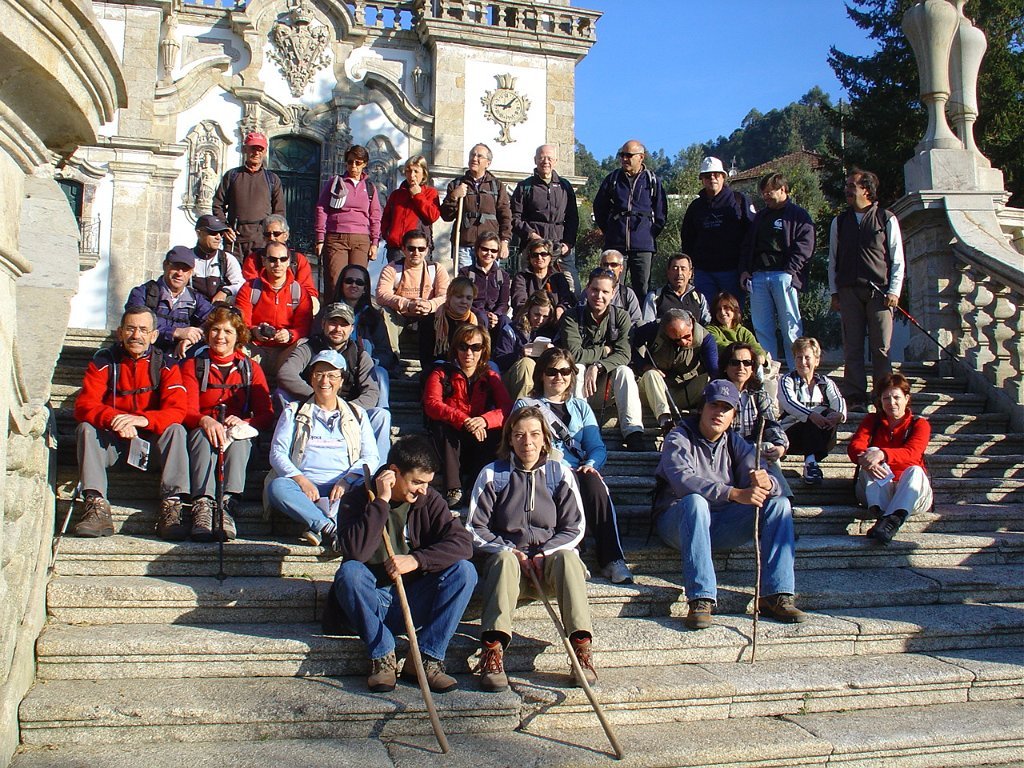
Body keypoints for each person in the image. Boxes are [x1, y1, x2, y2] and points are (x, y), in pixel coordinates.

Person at [653, 379, 806, 630]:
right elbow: (683, 481)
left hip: (721, 523)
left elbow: (766, 481)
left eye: (727, 408)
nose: (719, 412)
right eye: (714, 405)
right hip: (677, 521)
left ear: (734, 414)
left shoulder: (735, 442)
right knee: (695, 502)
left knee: (778, 505)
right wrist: (733, 493)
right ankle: (701, 598)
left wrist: (767, 483)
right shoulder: (678, 436)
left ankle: (775, 594)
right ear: (703, 407)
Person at [331, 435, 477, 693]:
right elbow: (355, 551)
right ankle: (383, 656)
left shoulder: (429, 500)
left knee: (464, 571)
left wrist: (416, 560)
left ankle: (426, 658)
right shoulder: (356, 500)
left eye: (427, 483)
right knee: (350, 573)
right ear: (394, 472)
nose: (422, 489)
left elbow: (463, 544)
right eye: (417, 482)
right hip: (371, 601)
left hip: (411, 599)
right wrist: (381, 503)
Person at [466, 406, 596, 691]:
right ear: (510, 439)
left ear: (545, 439)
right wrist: (512, 551)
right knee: (502, 559)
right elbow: (475, 528)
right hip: (510, 571)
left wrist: (544, 553)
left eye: (535, 434)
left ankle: (580, 650)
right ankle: (493, 650)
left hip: (549, 569)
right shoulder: (492, 475)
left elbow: (574, 527)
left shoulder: (560, 473)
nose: (528, 442)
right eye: (520, 435)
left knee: (569, 560)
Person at [515, 347, 633, 584]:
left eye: (565, 371)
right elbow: (519, 443)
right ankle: (572, 553)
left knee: (594, 483)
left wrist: (590, 464)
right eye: (552, 371)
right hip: (543, 468)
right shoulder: (525, 405)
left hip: (577, 467)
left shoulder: (581, 406)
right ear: (541, 374)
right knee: (562, 483)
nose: (559, 377)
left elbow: (596, 446)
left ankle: (612, 559)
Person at [72, 306, 189, 540]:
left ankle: (172, 506)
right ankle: (96, 505)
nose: (136, 335)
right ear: (120, 333)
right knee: (85, 428)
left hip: (150, 449)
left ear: (154, 335)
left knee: (176, 430)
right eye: (131, 329)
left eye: (143, 330)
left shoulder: (165, 364)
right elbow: (84, 404)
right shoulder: (104, 361)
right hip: (113, 446)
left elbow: (177, 409)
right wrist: (114, 419)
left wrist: (143, 420)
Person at [266, 350, 380, 546]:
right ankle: (329, 526)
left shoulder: (357, 414)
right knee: (277, 487)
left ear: (341, 380)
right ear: (311, 378)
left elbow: (371, 456)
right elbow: (277, 453)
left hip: (344, 486)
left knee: (369, 487)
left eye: (332, 375)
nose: (324, 380)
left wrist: (347, 479)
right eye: (319, 374)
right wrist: (301, 480)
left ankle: (316, 525)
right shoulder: (294, 411)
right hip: (304, 487)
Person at [181, 305, 273, 541]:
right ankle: (203, 503)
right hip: (203, 433)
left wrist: (244, 421)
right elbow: (185, 409)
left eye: (228, 332)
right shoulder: (194, 365)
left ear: (238, 336)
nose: (220, 337)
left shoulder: (250, 369)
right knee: (203, 435)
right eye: (215, 330)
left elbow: (266, 414)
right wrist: (204, 420)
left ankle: (227, 505)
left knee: (243, 439)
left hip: (236, 437)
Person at [276, 301, 392, 467]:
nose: (338, 329)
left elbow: (371, 393)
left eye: (344, 325)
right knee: (281, 394)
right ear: (323, 324)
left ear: (352, 329)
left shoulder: (359, 354)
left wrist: (344, 409)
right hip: (311, 411)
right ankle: (288, 460)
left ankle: (378, 475)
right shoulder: (308, 347)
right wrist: (317, 399)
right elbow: (286, 373)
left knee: (382, 416)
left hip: (350, 412)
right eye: (333, 323)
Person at [828, 168, 905, 409]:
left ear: (867, 190)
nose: (847, 190)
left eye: (852, 185)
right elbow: (833, 260)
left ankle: (884, 396)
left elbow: (897, 258)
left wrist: (894, 291)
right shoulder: (839, 222)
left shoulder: (886, 218)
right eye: (847, 185)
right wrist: (834, 292)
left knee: (881, 347)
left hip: (880, 293)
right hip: (849, 291)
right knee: (852, 345)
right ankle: (855, 396)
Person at [422, 324, 512, 509]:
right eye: (463, 347)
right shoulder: (441, 373)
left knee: (495, 432)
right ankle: (453, 488)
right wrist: (463, 420)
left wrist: (485, 421)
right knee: (442, 427)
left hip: (478, 437)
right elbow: (431, 404)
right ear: (455, 348)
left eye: (475, 347)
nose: (468, 353)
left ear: (483, 349)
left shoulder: (490, 376)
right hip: (451, 438)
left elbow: (506, 408)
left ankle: (475, 485)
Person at [560, 268, 643, 451]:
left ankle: (633, 432)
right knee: (578, 368)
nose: (599, 295)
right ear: (587, 289)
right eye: (595, 290)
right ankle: (578, 430)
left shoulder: (621, 317)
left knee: (625, 371)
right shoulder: (571, 317)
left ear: (613, 293)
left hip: (607, 386)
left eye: (605, 291)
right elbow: (575, 354)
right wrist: (605, 350)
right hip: (579, 387)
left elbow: (624, 354)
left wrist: (598, 366)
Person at [739, 172, 815, 371]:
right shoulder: (761, 217)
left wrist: (791, 270)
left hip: (784, 275)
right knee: (762, 329)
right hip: (759, 276)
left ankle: (797, 372)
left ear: (782, 190)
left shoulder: (798, 215)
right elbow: (747, 245)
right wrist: (746, 271)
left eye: (769, 192)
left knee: (791, 327)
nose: (765, 196)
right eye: (763, 193)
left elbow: (806, 245)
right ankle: (769, 374)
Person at [848, 372, 932, 545]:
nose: (891, 403)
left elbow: (912, 453)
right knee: (870, 452)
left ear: (907, 398)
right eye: (886, 398)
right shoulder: (872, 420)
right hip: (877, 489)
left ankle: (890, 521)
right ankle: (886, 520)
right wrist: (870, 458)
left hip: (911, 493)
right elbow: (854, 447)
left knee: (915, 470)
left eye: (896, 397)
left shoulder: (919, 424)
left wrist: (883, 454)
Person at [592, 139, 667, 298]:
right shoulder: (612, 179)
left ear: (641, 157)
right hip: (615, 244)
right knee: (612, 287)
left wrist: (648, 233)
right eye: (622, 155)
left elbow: (661, 212)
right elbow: (599, 207)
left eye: (629, 155)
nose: (624, 159)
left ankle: (640, 322)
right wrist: (611, 229)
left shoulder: (652, 180)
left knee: (642, 289)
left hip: (643, 246)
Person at [680, 156, 756, 303]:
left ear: (723, 177)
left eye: (716, 174)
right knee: (707, 317)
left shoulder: (739, 200)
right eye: (708, 176)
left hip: (733, 271)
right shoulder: (695, 207)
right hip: (704, 273)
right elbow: (687, 239)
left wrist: (747, 267)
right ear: (702, 179)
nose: (712, 178)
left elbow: (752, 234)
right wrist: (690, 267)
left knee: (731, 315)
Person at [235, 241, 315, 377]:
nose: (278, 264)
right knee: (234, 343)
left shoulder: (299, 292)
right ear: (264, 261)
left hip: (286, 352)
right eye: (272, 259)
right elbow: (241, 322)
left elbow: (304, 327)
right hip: (255, 348)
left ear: (288, 261)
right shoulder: (249, 288)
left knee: (305, 344)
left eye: (283, 259)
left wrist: (290, 334)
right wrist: (255, 331)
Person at [720, 342, 790, 497]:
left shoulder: (758, 394)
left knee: (768, 447)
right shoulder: (716, 392)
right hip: (724, 451)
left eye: (747, 363)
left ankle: (782, 500)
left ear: (752, 368)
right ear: (725, 366)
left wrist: (780, 446)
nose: (741, 367)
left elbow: (772, 423)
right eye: (734, 362)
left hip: (752, 449)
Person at [315, 145, 383, 303]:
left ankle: (356, 319)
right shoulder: (335, 183)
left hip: (361, 240)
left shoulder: (370, 188)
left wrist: (374, 243)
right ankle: (333, 317)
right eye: (350, 162)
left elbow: (375, 216)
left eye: (358, 162)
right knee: (335, 281)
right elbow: (321, 208)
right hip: (336, 238)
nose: (354, 166)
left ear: (364, 164)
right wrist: (319, 238)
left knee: (357, 282)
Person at [634, 308, 718, 429]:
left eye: (687, 336)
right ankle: (666, 423)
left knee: (709, 379)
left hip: (685, 390)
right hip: (655, 390)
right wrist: (644, 365)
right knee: (651, 374)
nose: (683, 342)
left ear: (691, 323)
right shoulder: (653, 329)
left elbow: (714, 371)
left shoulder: (706, 339)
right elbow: (629, 346)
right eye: (676, 340)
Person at [779, 337, 847, 486]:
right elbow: (789, 403)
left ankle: (810, 461)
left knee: (829, 412)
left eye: (807, 358)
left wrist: (839, 415)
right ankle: (811, 463)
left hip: (821, 434)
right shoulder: (786, 380)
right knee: (811, 417)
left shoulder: (826, 382)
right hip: (792, 434)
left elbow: (838, 399)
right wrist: (811, 415)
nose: (803, 362)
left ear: (816, 360)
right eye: (799, 358)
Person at [510, 144, 580, 288]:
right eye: (541, 157)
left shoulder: (564, 186)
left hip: (559, 248)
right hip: (533, 249)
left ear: (555, 160)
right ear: (535, 160)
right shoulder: (525, 187)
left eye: (549, 158)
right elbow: (514, 217)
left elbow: (573, 218)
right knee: (531, 290)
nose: (545, 161)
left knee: (573, 289)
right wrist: (530, 234)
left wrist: (568, 243)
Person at [126, 245, 214, 359]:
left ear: (191, 272)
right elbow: (136, 326)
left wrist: (191, 339)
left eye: (185, 269)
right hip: (144, 359)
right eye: (176, 267)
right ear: (165, 265)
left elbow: (215, 321)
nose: (180, 273)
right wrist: (176, 332)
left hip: (179, 363)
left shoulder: (196, 300)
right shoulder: (141, 293)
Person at [212, 131, 286, 257]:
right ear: (245, 149)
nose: (256, 153)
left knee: (259, 275)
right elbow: (217, 205)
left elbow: (279, 213)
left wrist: (273, 237)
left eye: (260, 149)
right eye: (253, 148)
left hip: (261, 240)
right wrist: (224, 228)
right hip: (235, 240)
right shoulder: (232, 176)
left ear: (264, 151)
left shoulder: (272, 179)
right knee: (232, 275)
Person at [375, 230, 450, 352]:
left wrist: (430, 305)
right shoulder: (392, 268)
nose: (416, 253)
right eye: (411, 248)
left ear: (426, 250)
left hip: (428, 318)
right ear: (403, 249)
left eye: (421, 249)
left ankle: (436, 361)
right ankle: (392, 359)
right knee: (384, 312)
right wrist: (407, 304)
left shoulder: (436, 269)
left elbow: (446, 296)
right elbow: (381, 295)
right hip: (399, 318)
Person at [440, 143, 512, 269]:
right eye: (472, 155)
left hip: (489, 248)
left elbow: (505, 215)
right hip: (464, 245)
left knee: (488, 283)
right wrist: (454, 196)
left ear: (488, 163)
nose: (474, 158)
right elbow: (446, 216)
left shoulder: (497, 186)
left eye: (479, 156)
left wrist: (504, 241)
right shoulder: (456, 184)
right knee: (466, 284)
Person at [337, 263, 398, 396]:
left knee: (381, 373)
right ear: (342, 285)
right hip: (334, 367)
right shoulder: (327, 313)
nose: (354, 285)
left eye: (359, 282)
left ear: (365, 288)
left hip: (367, 368)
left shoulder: (374, 317)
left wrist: (368, 363)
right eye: (349, 281)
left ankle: (381, 412)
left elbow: (385, 352)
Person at [240, 215, 319, 313]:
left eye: (276, 234)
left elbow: (308, 290)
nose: (271, 238)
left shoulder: (299, 260)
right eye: (267, 234)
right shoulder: (253, 259)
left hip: (291, 309)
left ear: (286, 235)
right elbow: (249, 288)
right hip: (261, 308)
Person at [493, 291, 558, 400]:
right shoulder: (511, 329)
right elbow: (499, 361)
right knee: (526, 364)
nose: (540, 320)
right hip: (513, 380)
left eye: (545, 316)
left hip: (542, 381)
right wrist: (520, 353)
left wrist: (553, 354)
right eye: (537, 314)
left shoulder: (553, 332)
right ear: (528, 311)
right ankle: (522, 410)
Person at [418, 275, 486, 374]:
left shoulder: (477, 322)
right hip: (439, 369)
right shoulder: (431, 320)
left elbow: (483, 355)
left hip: (469, 370)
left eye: (469, 298)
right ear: (449, 297)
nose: (464, 301)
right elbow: (426, 358)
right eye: (459, 297)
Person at [380, 155, 441, 261]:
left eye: (416, 171)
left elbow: (433, 216)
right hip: (397, 249)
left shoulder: (430, 193)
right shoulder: (396, 195)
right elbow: (386, 218)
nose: (412, 175)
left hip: (418, 249)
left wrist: (418, 196)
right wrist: (389, 235)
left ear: (424, 173)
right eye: (408, 171)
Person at [509, 238, 576, 318]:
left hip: (554, 322)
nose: (539, 258)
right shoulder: (521, 278)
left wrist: (561, 308)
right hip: (528, 320)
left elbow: (567, 300)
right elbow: (519, 302)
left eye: (543, 254)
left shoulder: (559, 278)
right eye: (535, 255)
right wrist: (537, 313)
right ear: (529, 258)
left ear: (550, 256)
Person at [641, 252, 710, 325]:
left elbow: (708, 324)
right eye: (675, 269)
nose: (679, 273)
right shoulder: (655, 297)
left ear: (690, 273)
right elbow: (647, 327)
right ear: (668, 272)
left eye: (683, 269)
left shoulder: (699, 298)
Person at [459, 232, 510, 328]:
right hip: (474, 317)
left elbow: (503, 303)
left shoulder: (503, 276)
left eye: (493, 251)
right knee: (482, 318)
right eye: (485, 249)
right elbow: (462, 300)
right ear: (477, 249)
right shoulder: (465, 273)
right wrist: (482, 314)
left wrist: (496, 315)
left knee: (505, 322)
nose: (489, 253)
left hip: (495, 318)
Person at [190, 214, 244, 303]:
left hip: (218, 312)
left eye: (221, 233)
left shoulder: (227, 259)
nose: (218, 237)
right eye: (213, 233)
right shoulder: (187, 257)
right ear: (199, 233)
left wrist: (225, 291)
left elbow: (240, 284)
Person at [706, 292, 766, 365]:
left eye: (726, 308)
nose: (722, 312)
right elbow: (718, 345)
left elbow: (756, 347)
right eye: (718, 309)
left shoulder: (743, 331)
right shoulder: (710, 330)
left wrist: (761, 356)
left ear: (734, 311)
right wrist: (744, 350)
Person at [592, 249, 641, 326]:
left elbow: (636, 321)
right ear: (600, 266)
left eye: (613, 265)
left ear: (621, 268)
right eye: (605, 264)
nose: (609, 268)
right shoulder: (590, 292)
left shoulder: (627, 294)